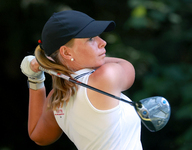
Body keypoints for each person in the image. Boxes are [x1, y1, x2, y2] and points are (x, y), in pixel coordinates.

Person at [20, 10, 142, 150]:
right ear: (66, 52)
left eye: (98, 36)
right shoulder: (105, 76)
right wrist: (52, 65)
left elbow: (38, 135)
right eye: (90, 39)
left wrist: (35, 78)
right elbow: (127, 66)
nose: (102, 42)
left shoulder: (57, 96)